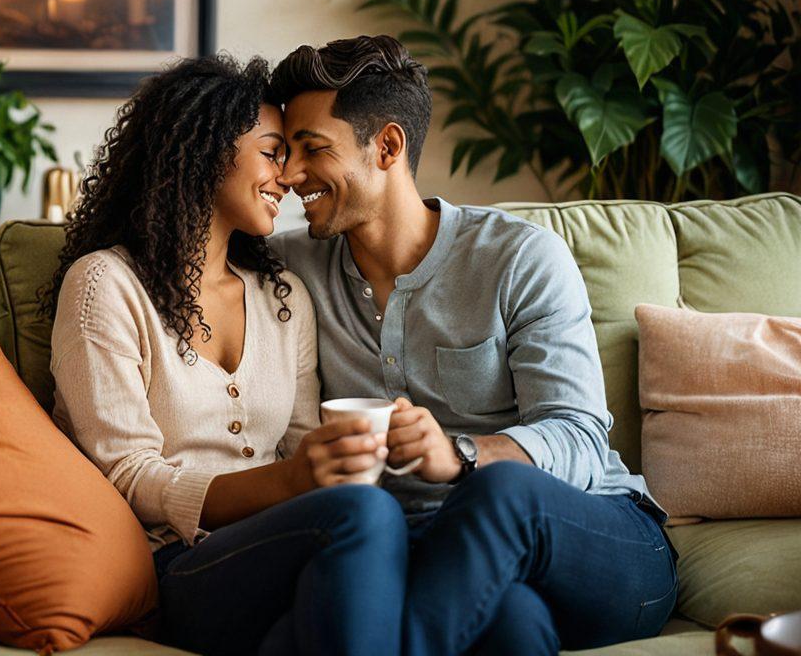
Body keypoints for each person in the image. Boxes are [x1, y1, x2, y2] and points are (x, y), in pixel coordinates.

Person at [269, 35, 679, 656]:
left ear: (387, 146)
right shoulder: (287, 269)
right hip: (440, 561)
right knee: (512, 623)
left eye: (312, 149)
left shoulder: (518, 257)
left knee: (502, 491)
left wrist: (460, 455)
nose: (291, 174)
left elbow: (582, 437)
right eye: (286, 151)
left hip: (595, 540)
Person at [41, 55, 409, 656]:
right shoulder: (104, 285)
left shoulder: (282, 298)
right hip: (172, 563)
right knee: (363, 518)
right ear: (208, 152)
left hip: (280, 550)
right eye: (272, 152)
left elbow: (297, 444)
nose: (289, 176)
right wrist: (290, 480)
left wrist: (332, 464)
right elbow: (127, 474)